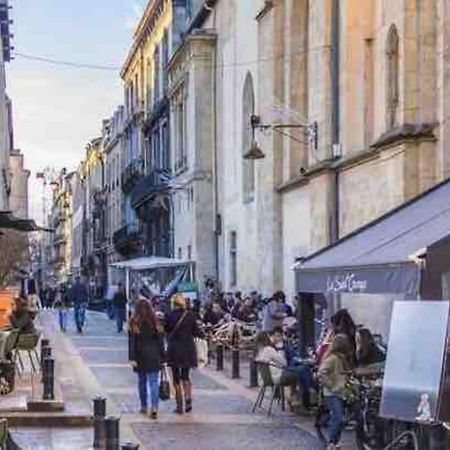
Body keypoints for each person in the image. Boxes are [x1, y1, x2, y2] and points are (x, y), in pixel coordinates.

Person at [165, 293, 203, 414]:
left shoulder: (169, 315)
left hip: (174, 349)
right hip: (188, 349)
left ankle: (179, 405)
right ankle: (188, 399)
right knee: (185, 376)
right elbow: (197, 332)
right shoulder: (190, 315)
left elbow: (167, 330)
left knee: (176, 378)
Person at [128, 299, 164, 419]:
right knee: (154, 383)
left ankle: (144, 406)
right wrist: (163, 356)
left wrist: (132, 357)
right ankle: (154, 408)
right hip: (154, 355)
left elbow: (131, 342)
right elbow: (160, 341)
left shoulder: (134, 322)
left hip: (140, 356)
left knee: (142, 382)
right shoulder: (155, 322)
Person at [318, 334, 353, 450]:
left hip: (339, 392)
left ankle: (335, 442)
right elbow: (322, 373)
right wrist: (332, 386)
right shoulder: (333, 359)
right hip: (332, 394)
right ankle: (331, 443)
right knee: (338, 417)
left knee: (341, 418)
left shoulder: (341, 358)